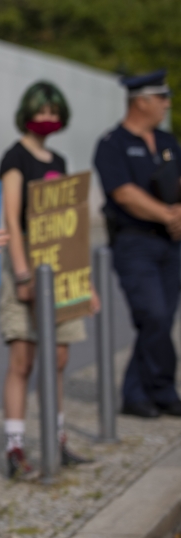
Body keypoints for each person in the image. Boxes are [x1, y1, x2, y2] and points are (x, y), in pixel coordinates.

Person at [0, 81, 98, 478]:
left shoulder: (58, 157)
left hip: (61, 273)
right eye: (40, 111)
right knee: (22, 360)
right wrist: (23, 275)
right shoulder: (15, 158)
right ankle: (15, 446)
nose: (47, 118)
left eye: (53, 111)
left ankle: (57, 438)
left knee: (58, 359)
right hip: (27, 272)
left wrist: (85, 283)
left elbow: (71, 228)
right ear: (27, 113)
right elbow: (12, 220)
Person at [94, 69, 181, 418]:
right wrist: (167, 215)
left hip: (171, 244)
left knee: (162, 320)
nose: (167, 104)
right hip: (135, 243)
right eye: (162, 98)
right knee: (153, 315)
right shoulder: (112, 143)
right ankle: (157, 388)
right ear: (141, 102)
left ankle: (145, 392)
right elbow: (124, 193)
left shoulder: (166, 142)